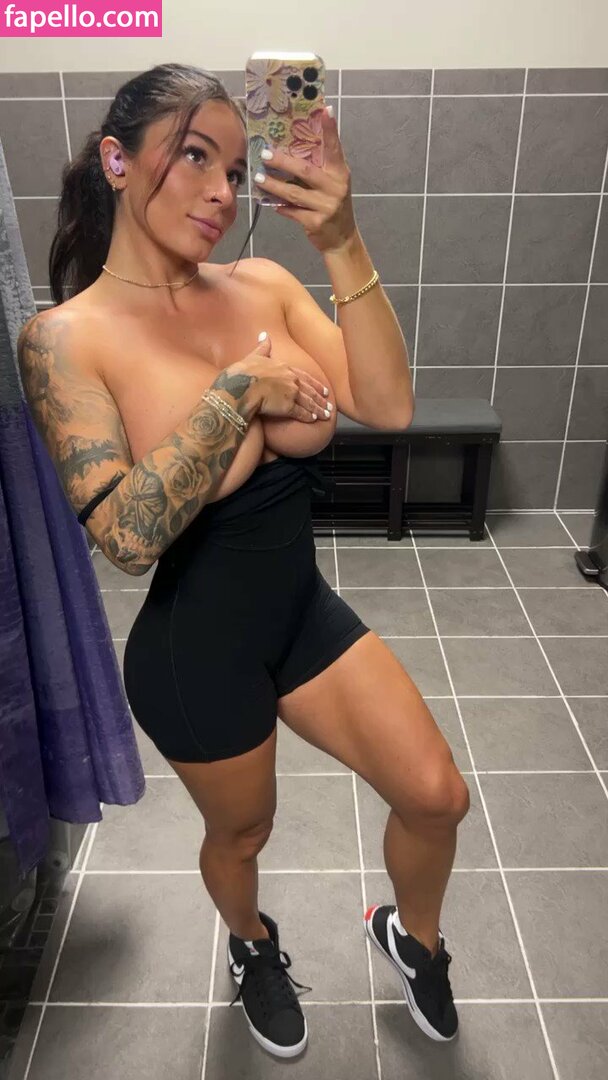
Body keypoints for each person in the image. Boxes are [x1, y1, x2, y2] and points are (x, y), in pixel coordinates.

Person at [17, 63, 470, 1058]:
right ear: (117, 160)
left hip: (298, 612)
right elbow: (126, 536)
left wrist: (340, 240)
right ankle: (250, 944)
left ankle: (415, 939)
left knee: (437, 795)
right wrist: (234, 395)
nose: (221, 191)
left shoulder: (260, 283)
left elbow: (388, 405)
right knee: (243, 834)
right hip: (196, 653)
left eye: (232, 168)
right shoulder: (64, 338)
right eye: (193, 156)